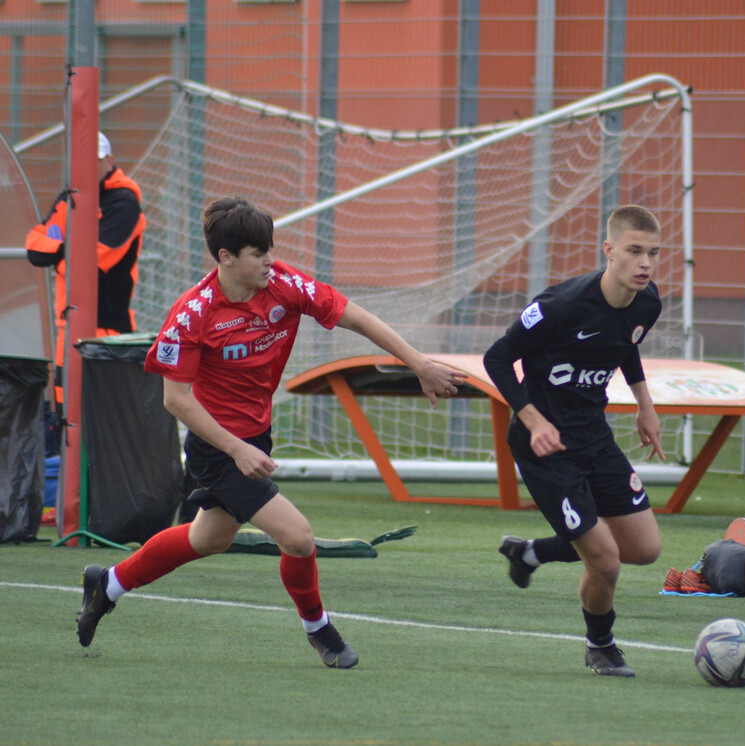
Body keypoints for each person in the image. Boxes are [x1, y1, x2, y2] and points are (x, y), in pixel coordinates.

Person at [75, 196, 467, 668]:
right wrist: (236, 449)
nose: (270, 260)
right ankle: (320, 630)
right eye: (258, 252)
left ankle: (108, 584)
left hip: (253, 438)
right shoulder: (192, 314)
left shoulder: (283, 285)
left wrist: (420, 364)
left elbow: (357, 316)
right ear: (225, 258)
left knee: (208, 539)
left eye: (270, 249)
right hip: (218, 446)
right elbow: (176, 400)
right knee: (298, 536)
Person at [483, 204, 665, 678]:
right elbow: (498, 359)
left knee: (644, 549)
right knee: (605, 561)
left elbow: (625, 345)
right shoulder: (559, 307)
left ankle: (531, 552)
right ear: (609, 250)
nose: (644, 262)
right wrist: (533, 420)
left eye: (653, 253)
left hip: (594, 436)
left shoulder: (648, 302)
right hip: (544, 447)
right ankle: (600, 645)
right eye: (634, 251)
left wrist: (645, 404)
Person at [26, 132, 146, 403]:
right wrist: (65, 249)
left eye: (96, 161)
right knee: (64, 408)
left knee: (103, 411)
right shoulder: (71, 196)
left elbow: (88, 263)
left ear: (110, 161)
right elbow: (34, 247)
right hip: (66, 327)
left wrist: (59, 247)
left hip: (106, 331)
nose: (87, 168)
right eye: (82, 161)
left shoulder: (124, 202)